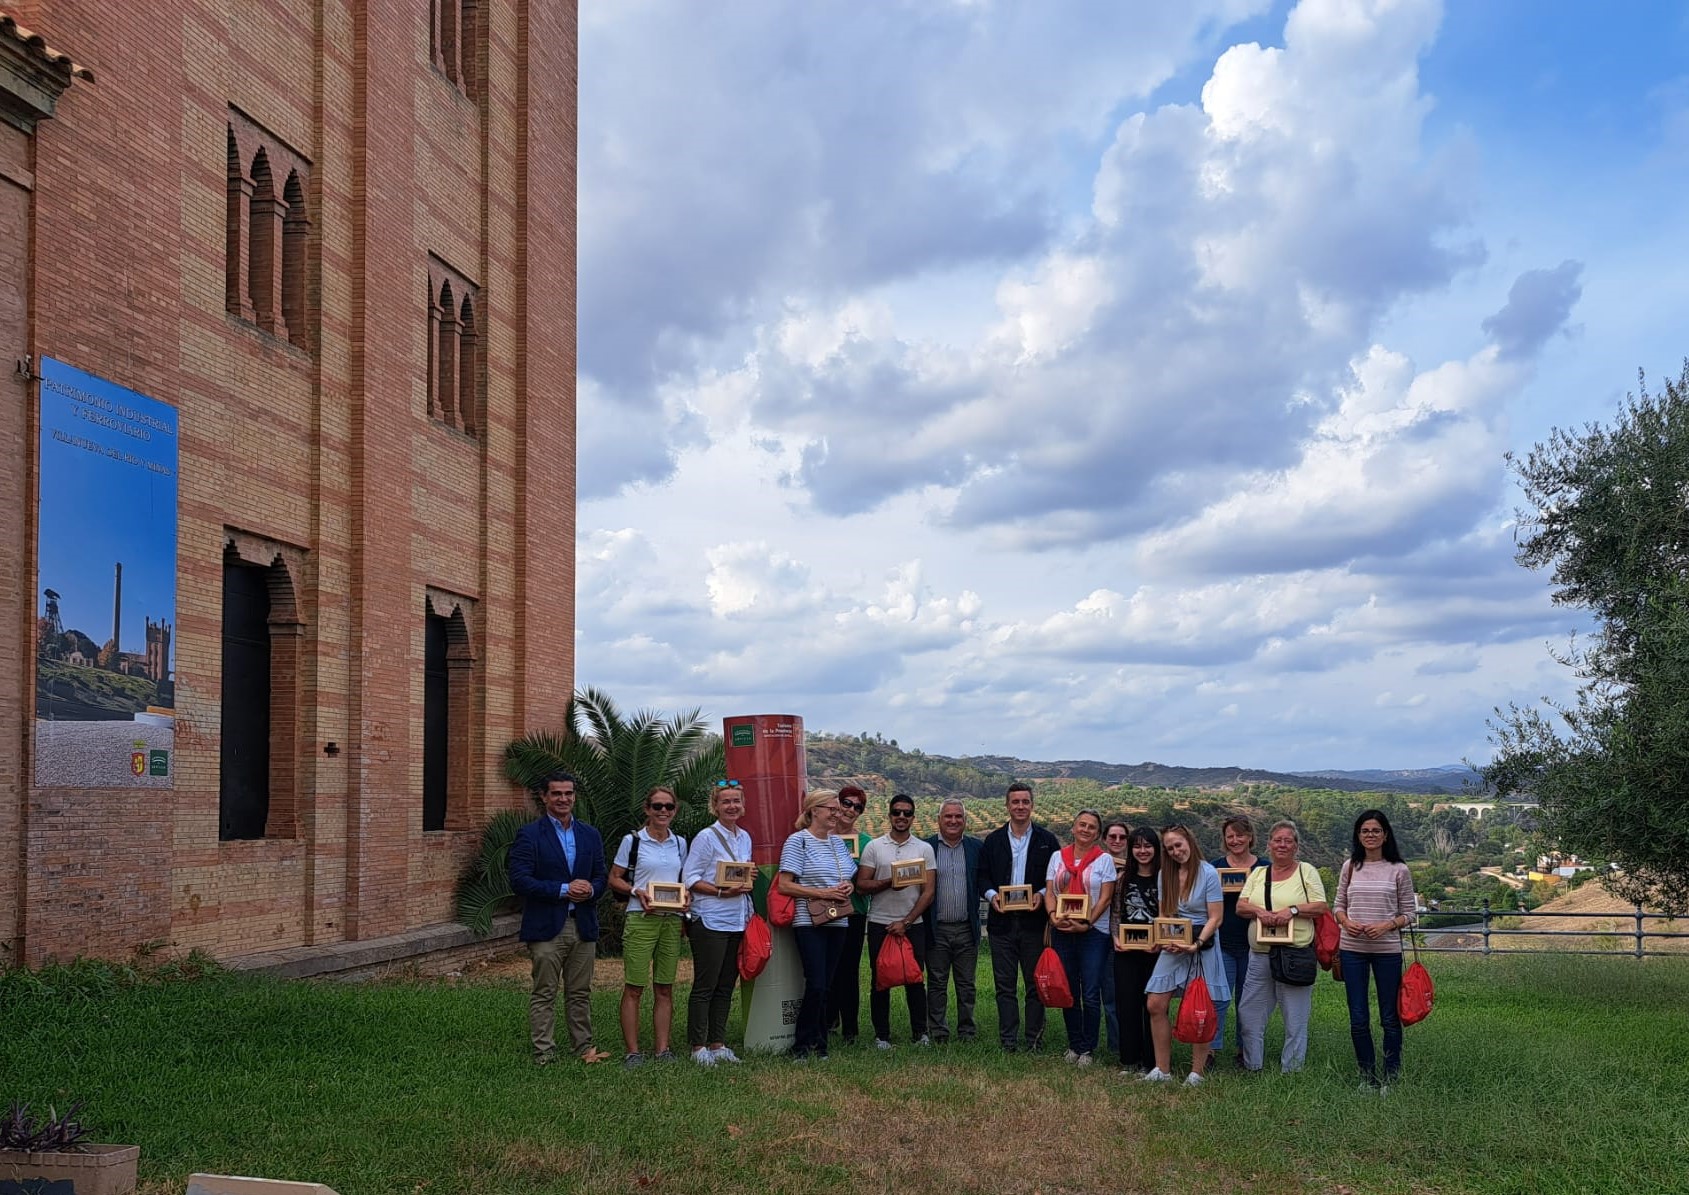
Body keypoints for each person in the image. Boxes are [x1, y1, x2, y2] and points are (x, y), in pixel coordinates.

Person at [508, 772, 611, 1065]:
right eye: (556, 793)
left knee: (580, 992)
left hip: (583, 924)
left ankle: (584, 1048)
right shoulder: (530, 834)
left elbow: (601, 875)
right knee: (545, 992)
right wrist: (564, 889)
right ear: (544, 797)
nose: (563, 799)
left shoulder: (590, 834)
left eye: (568, 793)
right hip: (547, 926)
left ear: (574, 796)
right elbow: (519, 880)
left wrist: (591, 888)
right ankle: (544, 1052)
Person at [1236, 820, 1330, 1074]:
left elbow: (1321, 906)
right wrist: (1259, 912)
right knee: (1249, 1013)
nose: (1282, 845)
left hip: (1294, 954)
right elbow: (1241, 906)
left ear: (1296, 846)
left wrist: (1293, 910)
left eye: (1288, 840)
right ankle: (1252, 1065)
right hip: (1260, 954)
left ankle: (1292, 1070)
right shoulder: (1258, 874)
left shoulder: (1306, 871)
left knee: (1295, 1017)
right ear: (1269, 844)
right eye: (1277, 840)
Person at [1335, 809, 1418, 1092]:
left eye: (1375, 830)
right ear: (1358, 835)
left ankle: (1390, 1076)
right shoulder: (1349, 867)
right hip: (1352, 949)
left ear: (1385, 835)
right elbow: (1338, 906)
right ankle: (1367, 1076)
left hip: (1387, 950)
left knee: (1389, 1017)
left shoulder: (1399, 869)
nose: (1370, 835)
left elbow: (1410, 913)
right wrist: (1346, 922)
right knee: (1358, 1017)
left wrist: (1387, 925)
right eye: (1365, 831)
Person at [609, 786, 690, 1068]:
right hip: (641, 919)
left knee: (665, 987)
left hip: (671, 920)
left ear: (675, 810)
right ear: (647, 809)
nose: (663, 811)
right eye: (657, 806)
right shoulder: (632, 841)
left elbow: (683, 880)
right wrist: (636, 891)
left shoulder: (680, 843)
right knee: (634, 987)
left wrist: (686, 897)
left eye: (669, 806)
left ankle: (662, 1049)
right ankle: (633, 1052)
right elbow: (614, 877)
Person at [1142, 824, 1228, 1085]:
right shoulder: (1164, 874)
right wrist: (1164, 939)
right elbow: (1164, 914)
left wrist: (1196, 944)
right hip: (1174, 942)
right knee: (1155, 1004)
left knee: (1200, 1006)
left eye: (1178, 845)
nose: (1175, 851)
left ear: (1189, 841)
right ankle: (1162, 1070)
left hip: (1201, 943)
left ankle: (1196, 1073)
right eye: (1169, 848)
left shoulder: (1208, 873)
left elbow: (1216, 917)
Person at [777, 788, 857, 1061]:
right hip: (808, 921)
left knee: (827, 984)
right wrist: (823, 893)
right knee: (817, 984)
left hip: (838, 920)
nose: (837, 814)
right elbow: (785, 885)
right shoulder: (797, 841)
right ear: (814, 811)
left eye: (838, 810)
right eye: (832, 809)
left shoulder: (837, 843)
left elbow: (847, 876)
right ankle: (801, 1045)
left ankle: (820, 1044)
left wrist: (847, 887)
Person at [980, 781, 1060, 1052]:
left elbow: (1056, 878)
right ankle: (1008, 1040)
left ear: (1032, 805)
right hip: (1001, 924)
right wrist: (992, 896)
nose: (1020, 806)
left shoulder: (1047, 841)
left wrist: (1041, 894)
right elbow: (982, 876)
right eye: (1015, 802)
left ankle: (1034, 1039)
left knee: (1035, 984)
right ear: (1007, 805)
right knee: (1004, 986)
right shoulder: (993, 840)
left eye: (1025, 801)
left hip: (1034, 924)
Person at [682, 779, 756, 1066]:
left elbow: (738, 873)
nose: (732, 806)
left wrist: (748, 877)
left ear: (743, 805)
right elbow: (690, 877)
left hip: (737, 920)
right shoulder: (706, 837)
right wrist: (722, 892)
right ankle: (698, 1046)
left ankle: (718, 1044)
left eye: (736, 801)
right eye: (726, 801)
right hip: (711, 919)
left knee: (725, 985)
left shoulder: (745, 837)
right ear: (715, 806)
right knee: (706, 985)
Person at [858, 793, 937, 1049]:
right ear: (889, 815)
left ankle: (920, 1033)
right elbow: (862, 885)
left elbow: (928, 892)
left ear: (913, 817)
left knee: (915, 979)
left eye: (907, 813)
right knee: (880, 980)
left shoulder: (924, 849)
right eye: (897, 812)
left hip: (914, 924)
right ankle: (882, 1036)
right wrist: (889, 882)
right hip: (880, 922)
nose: (901, 817)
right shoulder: (874, 847)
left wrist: (907, 921)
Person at [1045, 809, 1117, 1066]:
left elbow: (1106, 898)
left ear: (1097, 834)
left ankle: (1087, 1048)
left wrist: (1087, 923)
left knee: (1090, 992)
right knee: (1069, 990)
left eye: (1092, 827)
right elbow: (1050, 891)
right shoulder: (1057, 857)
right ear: (1073, 828)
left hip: (1093, 933)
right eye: (1082, 825)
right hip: (1063, 929)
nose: (1086, 829)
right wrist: (1053, 916)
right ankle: (1074, 1043)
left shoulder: (1104, 860)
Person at [924, 798, 985, 1043]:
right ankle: (938, 1031)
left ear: (965, 820)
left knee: (967, 985)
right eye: (948, 816)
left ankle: (967, 1031)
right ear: (939, 820)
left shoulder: (976, 848)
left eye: (958, 816)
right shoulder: (926, 847)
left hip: (966, 928)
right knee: (937, 983)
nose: (953, 820)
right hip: (936, 928)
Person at [1209, 815, 1266, 1064]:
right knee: (1218, 999)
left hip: (1254, 944)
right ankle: (1209, 1051)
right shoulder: (1214, 867)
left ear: (1250, 836)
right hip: (1221, 943)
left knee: (1248, 1002)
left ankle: (1245, 1052)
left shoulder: (1264, 869)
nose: (1235, 840)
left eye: (1240, 835)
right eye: (1230, 836)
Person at [1111, 826, 1161, 1073]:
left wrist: (1161, 940)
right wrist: (1115, 937)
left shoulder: (1164, 878)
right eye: (1137, 846)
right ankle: (1129, 1059)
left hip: (1156, 952)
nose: (1143, 851)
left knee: (1153, 1006)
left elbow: (1170, 913)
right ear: (1131, 850)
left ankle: (1151, 1061)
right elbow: (1116, 912)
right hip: (1126, 951)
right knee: (1127, 1004)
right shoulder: (1123, 879)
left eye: (1148, 846)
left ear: (1156, 849)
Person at [827, 785, 873, 1045]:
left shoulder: (866, 843)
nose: (851, 809)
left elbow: (868, 878)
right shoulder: (821, 836)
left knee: (849, 970)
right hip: (824, 910)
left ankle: (851, 1029)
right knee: (828, 967)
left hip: (854, 911)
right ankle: (828, 1020)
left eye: (857, 807)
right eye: (847, 803)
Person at [1098, 820, 1130, 1058]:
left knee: (1130, 994)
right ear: (1104, 839)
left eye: (1122, 837)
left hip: (1131, 938)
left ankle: (1132, 1043)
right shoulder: (1096, 865)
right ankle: (1116, 1045)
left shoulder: (1137, 867)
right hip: (1101, 935)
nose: (1117, 841)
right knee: (1109, 994)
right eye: (1112, 836)